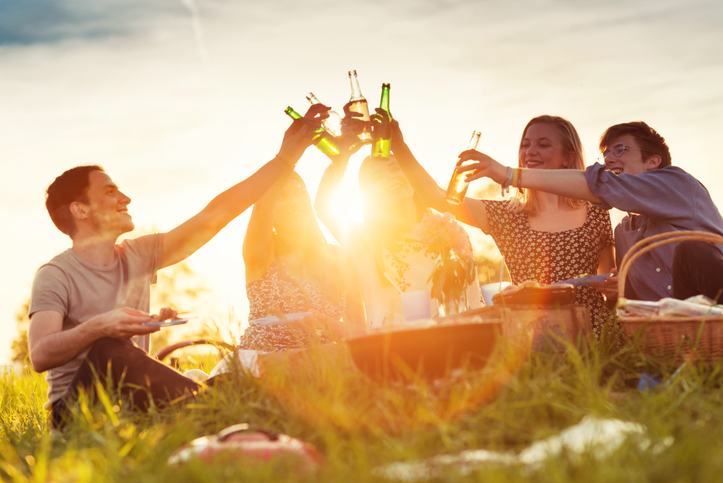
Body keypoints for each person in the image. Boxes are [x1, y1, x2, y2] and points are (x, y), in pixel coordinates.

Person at [28, 107, 325, 427]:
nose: (125, 198)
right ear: (80, 209)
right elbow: (40, 354)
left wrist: (285, 159)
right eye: (110, 191)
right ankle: (222, 410)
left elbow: (213, 217)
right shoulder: (54, 275)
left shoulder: (138, 255)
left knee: (230, 380)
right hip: (77, 413)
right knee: (107, 348)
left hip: (127, 405)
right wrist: (101, 327)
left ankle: (222, 404)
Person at [383, 113, 616, 337]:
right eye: (525, 144)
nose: (530, 151)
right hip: (531, 337)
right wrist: (399, 147)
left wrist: (615, 288)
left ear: (567, 157)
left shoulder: (596, 213)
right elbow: (434, 196)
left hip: (594, 334)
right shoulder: (507, 215)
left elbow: (609, 286)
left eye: (543, 145)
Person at [458, 120, 723, 303]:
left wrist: (509, 174)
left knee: (693, 250)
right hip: (671, 333)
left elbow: (601, 186)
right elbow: (629, 301)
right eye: (606, 153)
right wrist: (615, 291)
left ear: (653, 162)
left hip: (713, 312)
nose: (609, 159)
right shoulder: (625, 232)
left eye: (621, 149)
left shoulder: (678, 185)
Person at [314, 105, 482, 328]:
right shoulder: (364, 241)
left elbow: (474, 301)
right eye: (378, 176)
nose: (391, 177)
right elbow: (323, 207)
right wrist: (343, 154)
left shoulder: (450, 231)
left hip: (455, 343)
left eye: (395, 169)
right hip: (390, 352)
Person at [238, 169, 365, 352]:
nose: (295, 202)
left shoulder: (339, 258)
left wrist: (326, 324)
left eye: (299, 192)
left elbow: (360, 333)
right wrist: (289, 156)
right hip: (264, 363)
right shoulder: (261, 255)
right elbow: (260, 206)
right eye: (282, 197)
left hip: (323, 366)